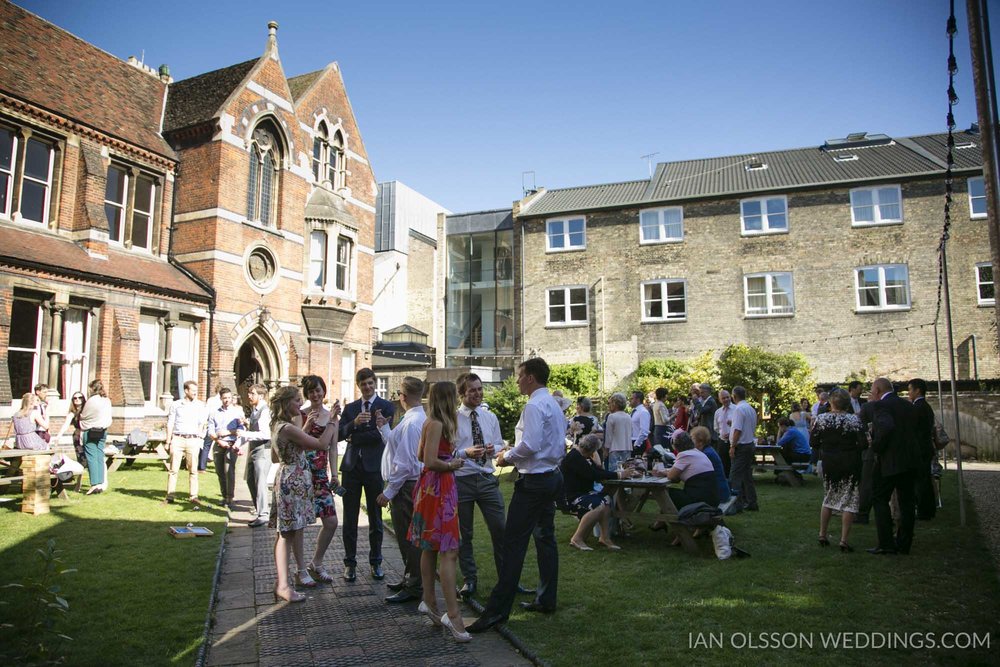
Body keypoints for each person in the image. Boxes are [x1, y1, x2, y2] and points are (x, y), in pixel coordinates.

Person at [468, 357, 565, 633]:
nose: (518, 380)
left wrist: (506, 458)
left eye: (520, 375)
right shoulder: (554, 405)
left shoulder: (535, 405)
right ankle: (546, 598)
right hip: (551, 477)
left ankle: (497, 611)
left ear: (531, 377)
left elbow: (531, 445)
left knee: (513, 544)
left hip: (534, 482)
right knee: (545, 539)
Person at [452, 373, 524, 600]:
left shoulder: (489, 417)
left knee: (500, 530)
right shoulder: (452, 419)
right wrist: (467, 452)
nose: (477, 393)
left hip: (486, 478)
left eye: (479, 389)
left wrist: (495, 449)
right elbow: (446, 453)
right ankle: (469, 580)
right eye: (472, 390)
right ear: (461, 393)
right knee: (465, 534)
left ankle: (507, 580)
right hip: (462, 479)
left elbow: (500, 444)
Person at [408, 381, 470, 642]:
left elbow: (421, 454)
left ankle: (430, 602)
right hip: (439, 489)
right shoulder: (436, 424)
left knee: (430, 546)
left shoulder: (430, 422)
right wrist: (452, 464)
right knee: (448, 549)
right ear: (447, 398)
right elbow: (429, 459)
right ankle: (453, 616)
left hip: (432, 488)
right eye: (454, 397)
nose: (457, 401)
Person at [268, 385, 338, 603]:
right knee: (286, 535)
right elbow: (321, 444)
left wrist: (305, 428)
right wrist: (333, 421)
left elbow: (274, 456)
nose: (301, 404)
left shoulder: (281, 426)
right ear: (286, 403)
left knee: (287, 533)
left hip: (289, 479)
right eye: (297, 400)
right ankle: (283, 585)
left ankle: (283, 581)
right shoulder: (288, 427)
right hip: (293, 482)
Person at [338, 368, 395, 582]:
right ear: (358, 385)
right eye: (363, 384)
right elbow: (338, 435)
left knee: (376, 517)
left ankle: (376, 561)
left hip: (374, 468)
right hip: (352, 468)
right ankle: (350, 563)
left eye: (371, 383)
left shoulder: (386, 406)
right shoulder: (351, 408)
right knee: (350, 517)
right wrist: (354, 425)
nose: (368, 387)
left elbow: (382, 437)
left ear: (375, 383)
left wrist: (355, 436)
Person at [376, 376, 426, 603]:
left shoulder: (412, 423)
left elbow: (405, 463)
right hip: (409, 485)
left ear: (402, 397)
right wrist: (384, 427)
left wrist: (388, 493)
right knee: (408, 536)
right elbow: (396, 444)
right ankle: (410, 578)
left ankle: (415, 584)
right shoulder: (413, 420)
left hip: (407, 487)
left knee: (409, 537)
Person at [868, 377, 920, 555]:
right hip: (909, 460)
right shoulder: (908, 405)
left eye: (872, 391)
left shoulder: (881, 406)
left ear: (877, 391)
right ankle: (905, 543)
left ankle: (886, 543)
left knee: (879, 498)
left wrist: (876, 446)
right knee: (907, 503)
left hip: (890, 461)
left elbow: (887, 427)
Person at [299, 375, 342, 585]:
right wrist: (306, 424)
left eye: (318, 390)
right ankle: (299, 570)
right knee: (297, 524)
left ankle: (316, 562)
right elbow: (295, 441)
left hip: (320, 476)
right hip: (302, 474)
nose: (316, 395)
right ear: (306, 395)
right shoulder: (301, 415)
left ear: (324, 391)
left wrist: (334, 474)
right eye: (311, 392)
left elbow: (332, 448)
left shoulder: (332, 417)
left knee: (331, 521)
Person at [811, 388, 866, 552]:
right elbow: (863, 443)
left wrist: (825, 446)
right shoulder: (854, 420)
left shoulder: (821, 419)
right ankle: (843, 540)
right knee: (849, 498)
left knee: (829, 495)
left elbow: (813, 442)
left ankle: (822, 534)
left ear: (831, 403)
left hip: (829, 460)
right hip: (850, 460)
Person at [560, 433, 624, 551]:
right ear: (591, 450)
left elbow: (597, 470)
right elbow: (593, 474)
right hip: (569, 497)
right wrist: (619, 474)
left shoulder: (583, 457)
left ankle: (605, 537)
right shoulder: (575, 457)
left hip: (580, 493)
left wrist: (599, 464)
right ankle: (577, 538)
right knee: (599, 505)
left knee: (606, 501)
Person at [653, 431, 720, 509]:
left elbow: (671, 476)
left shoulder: (684, 455)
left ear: (676, 446)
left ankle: (666, 519)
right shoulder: (698, 453)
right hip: (712, 498)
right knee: (672, 493)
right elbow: (677, 478)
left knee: (663, 493)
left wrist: (663, 472)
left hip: (699, 500)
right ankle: (663, 520)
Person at [165, 380, 206, 505]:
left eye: (196, 390)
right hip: (177, 439)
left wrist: (199, 439)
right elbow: (170, 423)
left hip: (193, 439)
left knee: (193, 469)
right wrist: (168, 441)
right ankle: (170, 496)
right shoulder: (176, 405)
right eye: (192, 390)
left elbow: (202, 424)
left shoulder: (200, 405)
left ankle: (193, 496)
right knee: (173, 469)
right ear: (186, 391)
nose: (195, 393)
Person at [241, 384, 272, 528]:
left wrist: (245, 433)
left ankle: (263, 515)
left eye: (252, 393)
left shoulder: (264, 411)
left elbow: (266, 434)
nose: (249, 395)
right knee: (250, 481)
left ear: (260, 395)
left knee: (260, 483)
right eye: (249, 393)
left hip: (263, 450)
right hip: (254, 450)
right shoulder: (255, 410)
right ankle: (259, 510)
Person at [208, 387, 244, 510]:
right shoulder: (214, 413)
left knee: (229, 471)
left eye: (229, 398)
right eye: (224, 398)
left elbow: (241, 430)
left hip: (231, 444)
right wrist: (219, 440)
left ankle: (230, 497)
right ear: (221, 398)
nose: (227, 400)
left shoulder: (237, 412)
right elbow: (210, 431)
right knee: (220, 472)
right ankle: (224, 496)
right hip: (218, 444)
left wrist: (228, 433)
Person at [907, 378, 937, 521]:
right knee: (924, 480)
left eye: (910, 389)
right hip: (925, 447)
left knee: (921, 481)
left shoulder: (918, 407)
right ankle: (928, 509)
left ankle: (924, 511)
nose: (908, 393)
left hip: (920, 449)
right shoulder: (924, 406)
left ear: (917, 390)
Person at [78, 380, 112, 495]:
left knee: (92, 457)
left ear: (92, 388)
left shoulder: (92, 401)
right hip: (103, 431)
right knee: (99, 456)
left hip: (91, 431)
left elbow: (84, 416)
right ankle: (101, 483)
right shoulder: (107, 400)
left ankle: (94, 484)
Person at [728, 386, 758, 512]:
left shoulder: (739, 409)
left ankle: (737, 504)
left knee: (734, 475)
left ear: (734, 396)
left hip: (741, 446)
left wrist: (732, 446)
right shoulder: (750, 408)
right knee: (746, 475)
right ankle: (752, 502)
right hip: (749, 444)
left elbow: (738, 430)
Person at [690, 426, 729, 506]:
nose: (691, 442)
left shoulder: (706, 454)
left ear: (700, 441)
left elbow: (694, 473)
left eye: (693, 439)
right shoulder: (708, 450)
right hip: (720, 490)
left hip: (718, 493)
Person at [55, 391, 87, 466]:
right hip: (78, 435)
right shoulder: (72, 413)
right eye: (75, 398)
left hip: (87, 434)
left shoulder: (87, 410)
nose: (77, 399)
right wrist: (58, 436)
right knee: (81, 457)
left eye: (80, 397)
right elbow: (66, 424)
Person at [604, 393, 631, 472]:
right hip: (627, 447)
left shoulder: (611, 416)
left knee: (615, 472)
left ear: (614, 404)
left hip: (614, 448)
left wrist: (606, 450)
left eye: (610, 403)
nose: (609, 405)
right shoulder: (628, 416)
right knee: (626, 471)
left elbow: (609, 436)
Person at [200, 383, 223, 473]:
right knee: (220, 446)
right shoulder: (222, 401)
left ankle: (202, 467)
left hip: (211, 426)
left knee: (206, 446)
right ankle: (219, 467)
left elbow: (206, 413)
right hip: (220, 427)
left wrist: (203, 425)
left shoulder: (211, 400)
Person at [713, 389, 733, 477]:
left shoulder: (736, 409)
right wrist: (722, 433)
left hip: (733, 441)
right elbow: (716, 427)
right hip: (722, 441)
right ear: (720, 400)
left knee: (733, 464)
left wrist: (731, 432)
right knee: (723, 464)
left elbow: (740, 426)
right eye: (723, 398)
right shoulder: (718, 412)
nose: (726, 400)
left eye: (727, 397)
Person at [629, 390, 651, 457]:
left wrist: (636, 444)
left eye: (632, 398)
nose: (630, 400)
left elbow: (644, 430)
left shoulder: (643, 412)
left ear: (637, 399)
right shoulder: (635, 411)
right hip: (632, 440)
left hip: (638, 442)